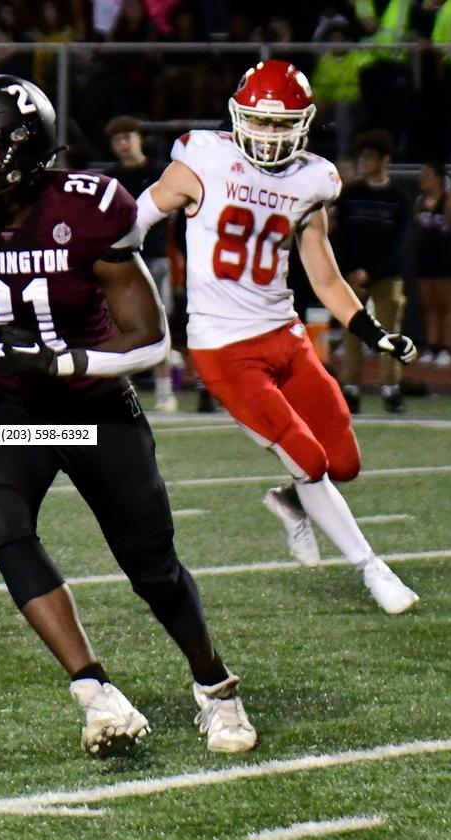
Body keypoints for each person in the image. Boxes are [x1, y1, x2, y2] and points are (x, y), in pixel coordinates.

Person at [0, 74, 257, 757]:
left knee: (151, 566)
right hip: (6, 407)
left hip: (93, 406)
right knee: (3, 524)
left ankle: (216, 687)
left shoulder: (89, 207)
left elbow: (152, 340)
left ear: (25, 152)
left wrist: (66, 362)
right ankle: (95, 691)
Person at [136, 60, 420, 615]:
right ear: (239, 118)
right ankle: (372, 568)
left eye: (281, 124)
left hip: (284, 336)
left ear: (303, 124)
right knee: (308, 459)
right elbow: (130, 224)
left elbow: (325, 277)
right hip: (223, 348)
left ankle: (293, 502)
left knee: (343, 462)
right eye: (261, 122)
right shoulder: (202, 160)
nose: (269, 135)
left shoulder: (312, 181)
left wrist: (373, 331)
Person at [102, 115, 179, 411]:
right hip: (120, 261)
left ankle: (165, 389)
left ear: (139, 138)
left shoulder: (160, 172)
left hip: (156, 256)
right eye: (117, 139)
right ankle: (123, 389)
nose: (123, 144)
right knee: (118, 324)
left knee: (159, 323)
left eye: (127, 137)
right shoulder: (110, 178)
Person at [333, 129, 411, 414]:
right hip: (353, 275)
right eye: (362, 156)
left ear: (385, 160)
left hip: (386, 275)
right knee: (352, 332)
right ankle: (351, 388)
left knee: (390, 331)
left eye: (370, 156)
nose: (364, 161)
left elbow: (397, 244)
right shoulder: (349, 195)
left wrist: (371, 271)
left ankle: (390, 388)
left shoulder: (398, 199)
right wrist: (350, 269)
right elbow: (340, 236)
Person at [410, 162, 451, 367]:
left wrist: (448, 194)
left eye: (428, 174)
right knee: (429, 306)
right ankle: (433, 346)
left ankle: (447, 347)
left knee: (446, 305)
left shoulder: (448, 201)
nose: (423, 178)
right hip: (425, 258)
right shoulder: (419, 201)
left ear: (439, 178)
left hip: (444, 259)